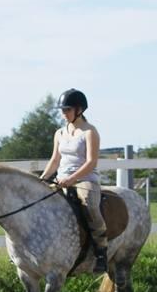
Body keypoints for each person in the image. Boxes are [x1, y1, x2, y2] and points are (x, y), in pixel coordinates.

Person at [40, 88, 108, 274]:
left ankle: (101, 251)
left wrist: (71, 179)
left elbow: (91, 162)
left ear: (79, 109)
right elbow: (55, 160)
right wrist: (43, 179)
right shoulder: (59, 133)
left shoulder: (89, 132)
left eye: (67, 110)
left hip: (84, 180)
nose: (63, 113)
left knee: (89, 205)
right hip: (61, 179)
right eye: (62, 110)